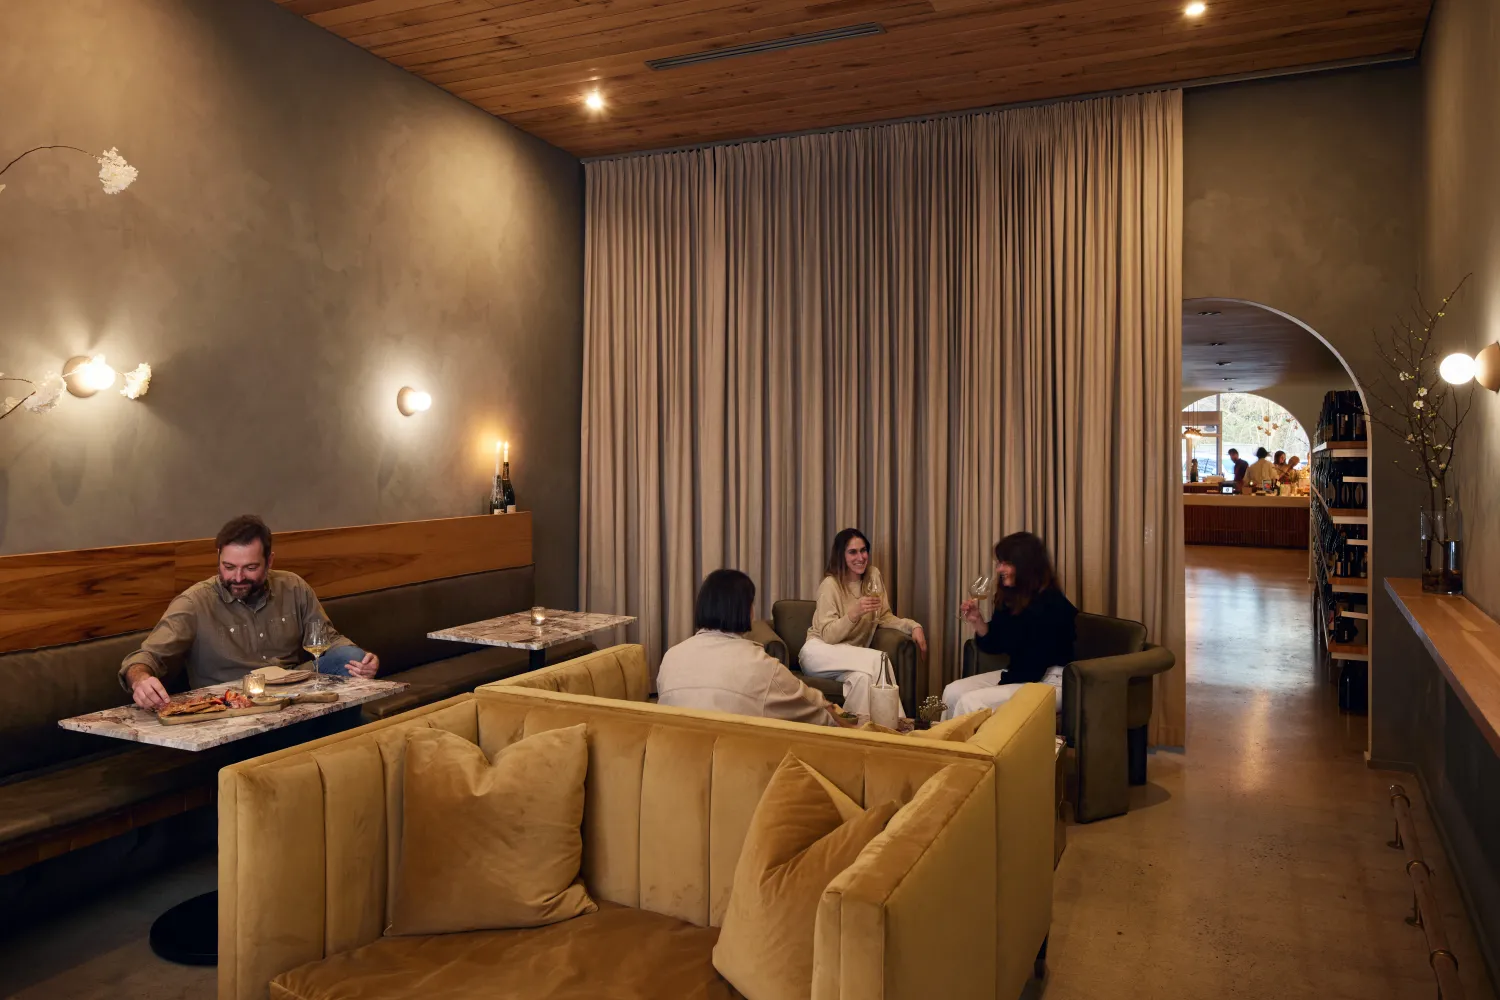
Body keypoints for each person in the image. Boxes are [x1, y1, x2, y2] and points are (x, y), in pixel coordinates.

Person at [121, 515, 380, 710]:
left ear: (270, 562)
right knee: (343, 725)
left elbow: (328, 641)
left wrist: (364, 661)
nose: (237, 577)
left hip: (293, 692)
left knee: (350, 657)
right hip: (238, 706)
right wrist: (141, 679)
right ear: (218, 559)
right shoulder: (194, 603)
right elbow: (145, 657)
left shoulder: (293, 587)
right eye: (229, 566)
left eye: (250, 567)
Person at [657, 569, 845, 726]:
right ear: (746, 610)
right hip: (736, 764)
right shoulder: (762, 666)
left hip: (674, 761)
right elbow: (816, 709)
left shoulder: (671, 656)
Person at [940, 532, 1077, 719]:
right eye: (999, 562)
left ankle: (971, 748)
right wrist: (978, 622)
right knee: (952, 692)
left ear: (1025, 566)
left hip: (1054, 681)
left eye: (1005, 563)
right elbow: (997, 643)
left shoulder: (1051, 604)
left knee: (971, 702)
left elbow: (1034, 665)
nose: (999, 569)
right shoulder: (1011, 598)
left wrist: (1002, 684)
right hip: (1022, 673)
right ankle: (942, 746)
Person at [799, 528, 927, 719]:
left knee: (863, 679)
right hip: (818, 652)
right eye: (853, 552)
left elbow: (884, 617)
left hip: (850, 658)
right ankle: (899, 726)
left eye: (863, 550)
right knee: (879, 659)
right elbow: (828, 636)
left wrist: (913, 626)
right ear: (841, 556)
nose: (860, 557)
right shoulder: (830, 585)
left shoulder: (872, 576)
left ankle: (857, 735)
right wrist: (855, 613)